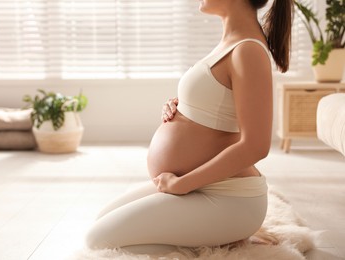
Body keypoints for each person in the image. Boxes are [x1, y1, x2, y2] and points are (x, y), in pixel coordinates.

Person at [86, 0, 294, 253]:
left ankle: (226, 236)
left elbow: (256, 146)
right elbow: (222, 106)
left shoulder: (247, 50)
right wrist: (182, 108)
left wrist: (182, 185)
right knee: (102, 219)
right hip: (199, 187)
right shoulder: (230, 43)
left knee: (98, 240)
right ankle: (220, 237)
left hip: (228, 198)